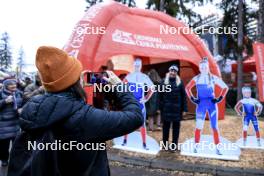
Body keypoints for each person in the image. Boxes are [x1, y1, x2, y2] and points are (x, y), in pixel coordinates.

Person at [7, 46, 143, 176]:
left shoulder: (32, 109)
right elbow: (135, 116)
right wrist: (120, 87)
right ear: (76, 81)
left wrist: (72, 83)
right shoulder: (86, 117)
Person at [185, 58, 228, 155]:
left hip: (212, 105)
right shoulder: (197, 78)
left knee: (214, 127)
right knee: (199, 126)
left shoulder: (213, 78)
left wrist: (219, 98)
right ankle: (196, 147)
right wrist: (193, 98)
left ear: (208, 68)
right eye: (201, 67)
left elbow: (225, 87)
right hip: (201, 105)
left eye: (205, 67)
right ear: (199, 68)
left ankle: (218, 148)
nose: (203, 69)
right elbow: (187, 88)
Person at [121, 58, 154, 150]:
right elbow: (122, 88)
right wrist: (125, 98)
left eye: (138, 65)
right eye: (135, 65)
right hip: (130, 103)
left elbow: (152, 88)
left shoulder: (144, 77)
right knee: (127, 122)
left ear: (141, 66)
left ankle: (144, 143)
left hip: (140, 104)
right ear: (133, 66)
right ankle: (125, 141)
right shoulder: (129, 76)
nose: (137, 67)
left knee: (142, 124)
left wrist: (146, 98)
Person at [160, 65, 187, 150]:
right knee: (165, 128)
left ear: (176, 73)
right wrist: (159, 108)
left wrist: (184, 109)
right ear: (169, 71)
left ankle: (174, 145)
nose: (173, 73)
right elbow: (160, 96)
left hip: (177, 110)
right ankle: (164, 145)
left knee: (176, 129)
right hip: (166, 109)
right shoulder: (163, 81)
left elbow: (184, 97)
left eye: (174, 71)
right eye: (171, 71)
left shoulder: (180, 83)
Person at [0, 79, 23, 167]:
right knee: (3, 146)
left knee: (16, 145)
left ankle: (15, 160)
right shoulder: (1, 94)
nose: (14, 86)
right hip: (3, 125)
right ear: (6, 86)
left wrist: (22, 109)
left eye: (14, 84)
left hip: (15, 124)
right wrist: (4, 102)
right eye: (11, 85)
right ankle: (4, 159)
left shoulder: (19, 93)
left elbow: (25, 103)